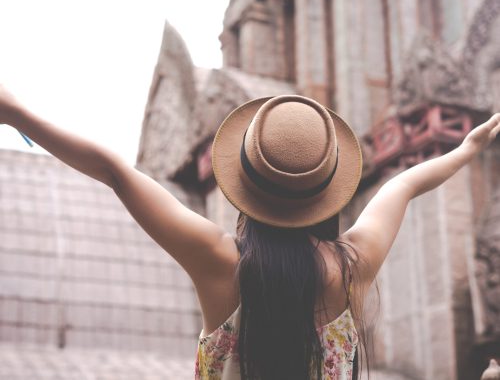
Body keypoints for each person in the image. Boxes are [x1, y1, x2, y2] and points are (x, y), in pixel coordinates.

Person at [1, 88, 499, 380]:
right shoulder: (354, 265)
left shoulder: (218, 261)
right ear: (328, 188)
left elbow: (113, 170)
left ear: (246, 183)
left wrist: (16, 113)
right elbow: (405, 184)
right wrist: (465, 150)